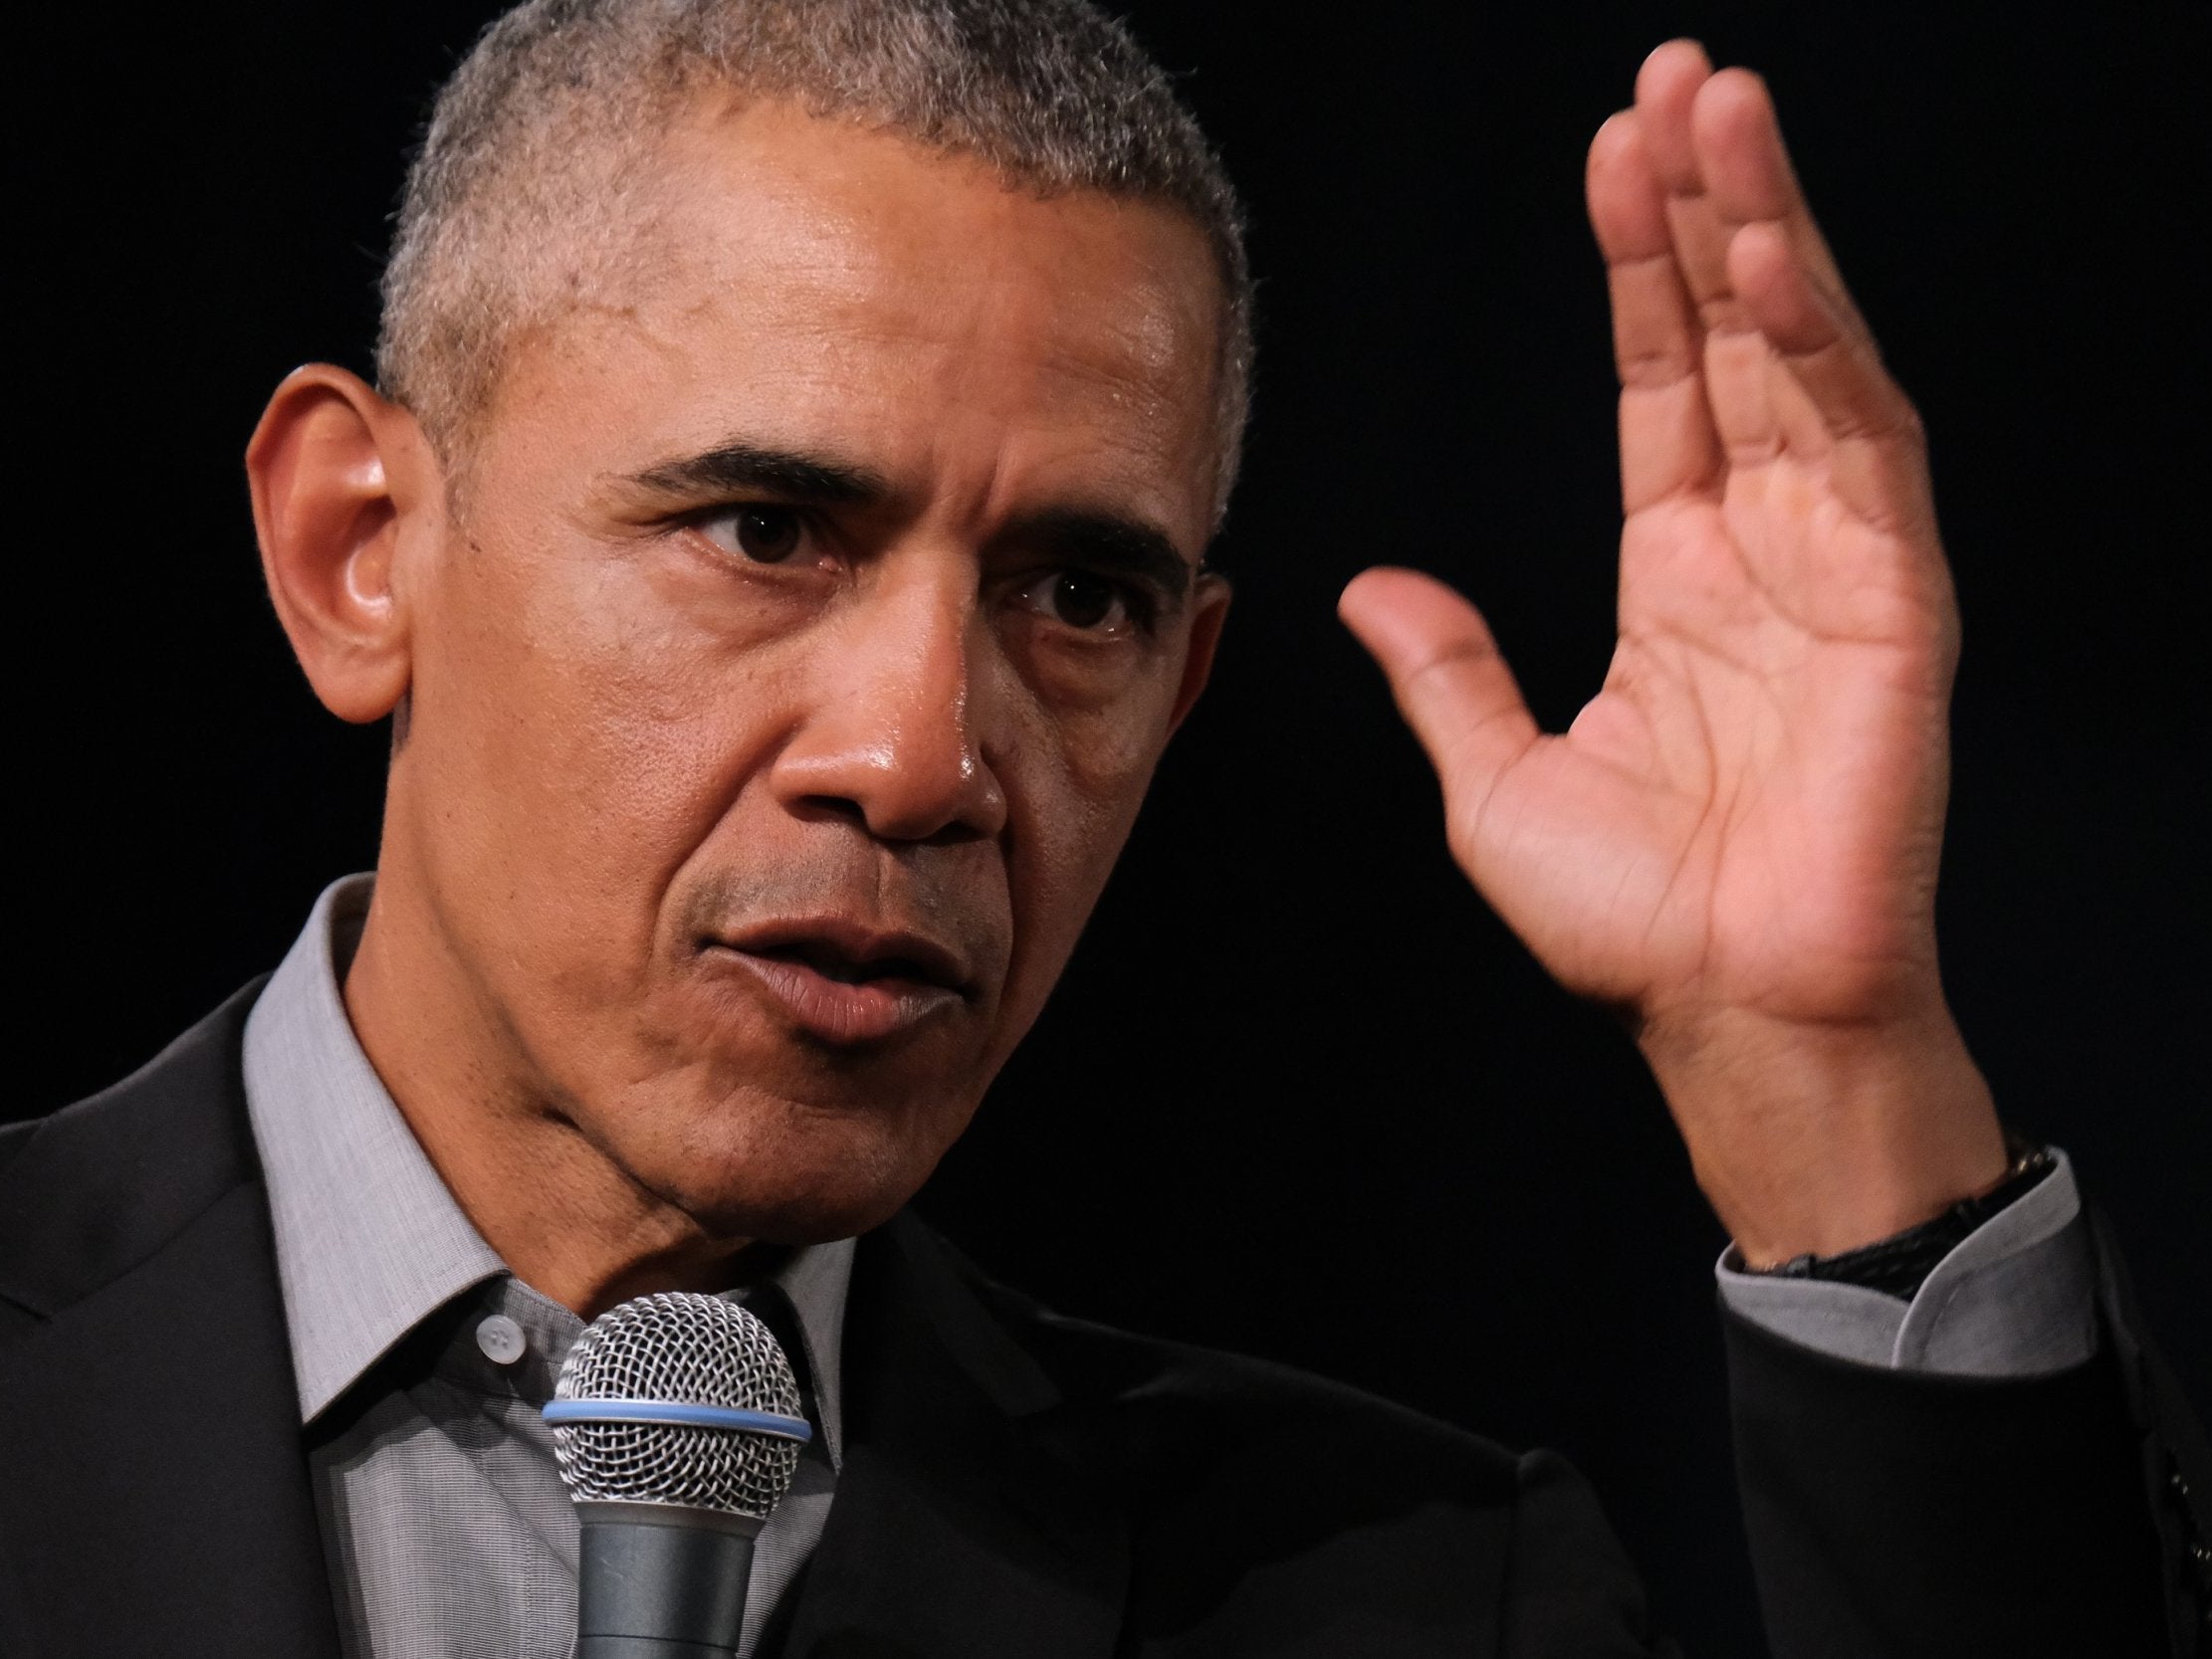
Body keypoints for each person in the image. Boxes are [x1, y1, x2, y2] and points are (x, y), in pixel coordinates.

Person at [0, 1, 2202, 1654]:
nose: (923, 757)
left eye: (1076, 597)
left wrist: (1819, 1076)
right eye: (767, 528)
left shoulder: (1412, 1606)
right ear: (357, 547)